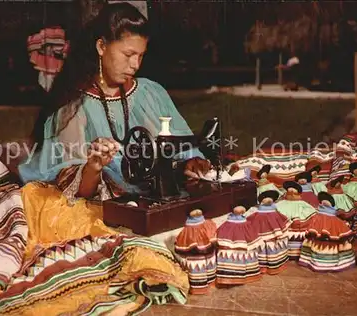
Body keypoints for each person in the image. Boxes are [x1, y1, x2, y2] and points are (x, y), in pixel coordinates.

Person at [16, 2, 211, 256]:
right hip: (111, 212)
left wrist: (192, 162)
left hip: (154, 204)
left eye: (140, 56)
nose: (135, 64)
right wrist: (93, 168)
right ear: (101, 46)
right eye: (128, 54)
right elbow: (75, 192)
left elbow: (183, 145)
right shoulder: (73, 109)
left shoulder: (151, 93)